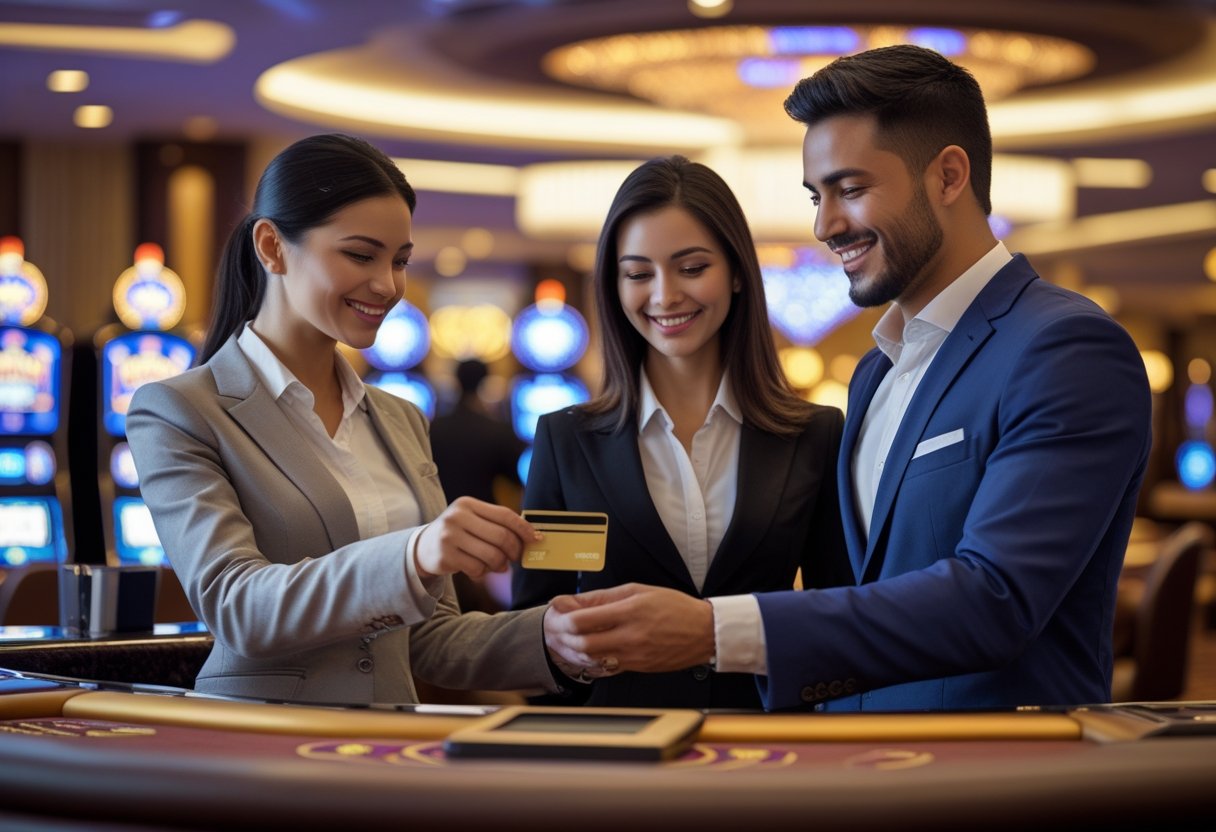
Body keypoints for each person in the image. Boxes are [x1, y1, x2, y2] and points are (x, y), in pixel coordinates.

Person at [543, 45, 1153, 712]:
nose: (824, 225)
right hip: (855, 769)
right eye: (817, 195)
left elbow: (995, 600)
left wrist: (713, 630)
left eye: (851, 189)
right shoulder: (874, 371)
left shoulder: (1063, 346)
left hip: (995, 774)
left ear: (949, 175)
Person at [126, 133, 574, 705]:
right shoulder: (180, 410)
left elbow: (429, 642)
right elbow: (236, 608)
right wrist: (414, 554)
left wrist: (554, 635)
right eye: (361, 255)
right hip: (256, 746)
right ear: (272, 246)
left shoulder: (401, 418)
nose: (388, 285)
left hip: (379, 749)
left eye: (401, 261)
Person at [513, 155, 849, 709]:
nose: (665, 296)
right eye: (639, 273)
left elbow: (836, 616)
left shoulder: (814, 434)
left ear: (738, 272)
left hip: (766, 753)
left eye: (692, 268)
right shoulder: (567, 441)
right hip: (614, 759)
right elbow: (535, 635)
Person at [430, 359, 526, 507]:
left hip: (439, 517)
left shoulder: (432, 428)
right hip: (483, 516)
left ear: (456, 381)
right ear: (484, 382)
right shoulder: (497, 431)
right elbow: (520, 480)